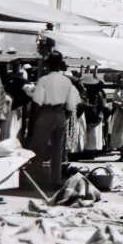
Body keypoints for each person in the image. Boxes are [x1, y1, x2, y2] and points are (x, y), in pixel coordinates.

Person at [28, 51, 80, 188]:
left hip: (46, 113)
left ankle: (36, 179)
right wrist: (63, 117)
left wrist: (34, 121)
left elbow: (37, 102)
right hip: (60, 114)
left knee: (38, 147)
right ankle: (55, 180)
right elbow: (71, 106)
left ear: (48, 65)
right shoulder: (67, 81)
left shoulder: (44, 80)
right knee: (58, 150)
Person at [81, 74, 108, 157]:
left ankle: (90, 153)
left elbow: (96, 106)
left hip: (94, 117)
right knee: (92, 136)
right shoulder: (95, 92)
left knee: (92, 136)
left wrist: (86, 106)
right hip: (95, 116)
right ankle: (91, 152)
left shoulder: (95, 93)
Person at [64, 73, 87, 160]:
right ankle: (65, 156)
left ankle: (65, 156)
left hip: (68, 113)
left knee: (67, 135)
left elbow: (74, 103)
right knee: (67, 135)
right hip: (70, 112)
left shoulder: (72, 89)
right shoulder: (73, 89)